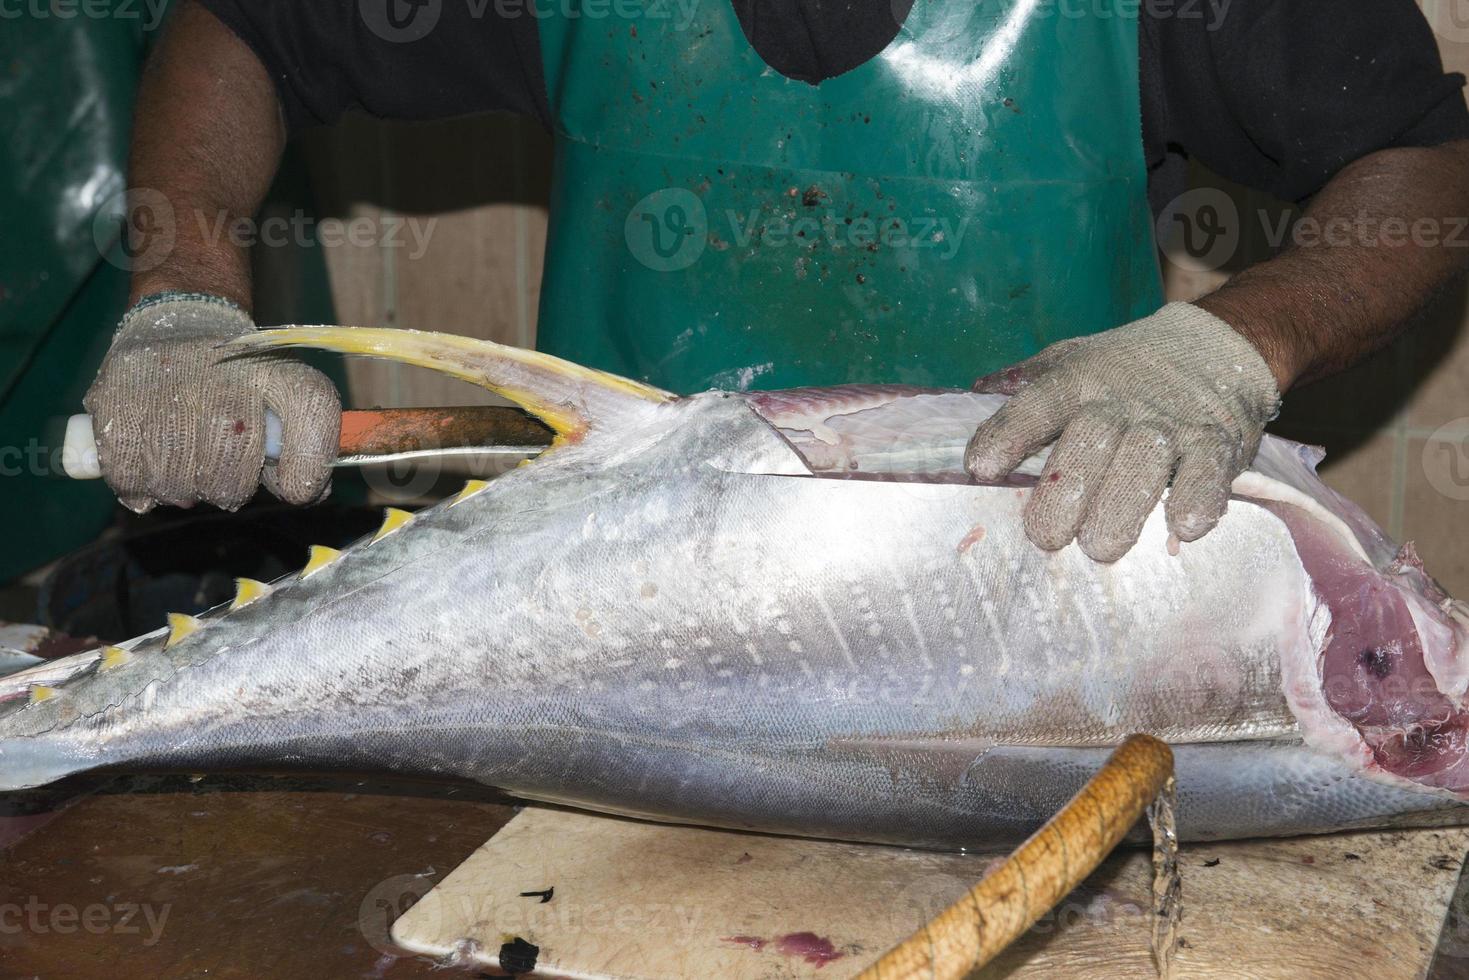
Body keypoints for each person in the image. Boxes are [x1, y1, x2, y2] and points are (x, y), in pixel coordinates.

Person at [86, 0, 1469, 562]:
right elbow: (243, 27)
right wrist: (184, 301)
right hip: (611, 576)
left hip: (1032, 571)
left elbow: (1419, 160)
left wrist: (1228, 353)